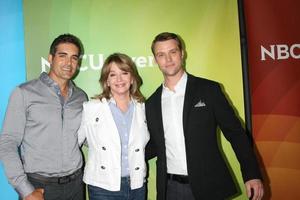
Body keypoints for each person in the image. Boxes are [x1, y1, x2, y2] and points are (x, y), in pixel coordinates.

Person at [145, 32, 264, 200]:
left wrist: (252, 173)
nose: (168, 59)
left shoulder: (209, 90)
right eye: (161, 55)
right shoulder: (151, 103)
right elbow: (154, 146)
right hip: (170, 189)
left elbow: (236, 133)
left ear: (182, 53)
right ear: (155, 60)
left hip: (209, 186)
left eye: (173, 52)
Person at [0, 33, 87, 200]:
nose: (69, 63)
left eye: (74, 58)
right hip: (39, 187)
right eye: (63, 56)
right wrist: (25, 190)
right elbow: (7, 142)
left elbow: (87, 137)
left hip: (76, 185)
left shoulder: (80, 97)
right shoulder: (24, 92)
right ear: (50, 58)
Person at [78, 53, 149, 200]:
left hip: (136, 185)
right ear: (107, 81)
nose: (119, 79)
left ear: (132, 78)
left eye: (124, 73)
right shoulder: (91, 108)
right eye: (112, 74)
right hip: (102, 187)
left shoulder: (143, 108)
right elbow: (77, 142)